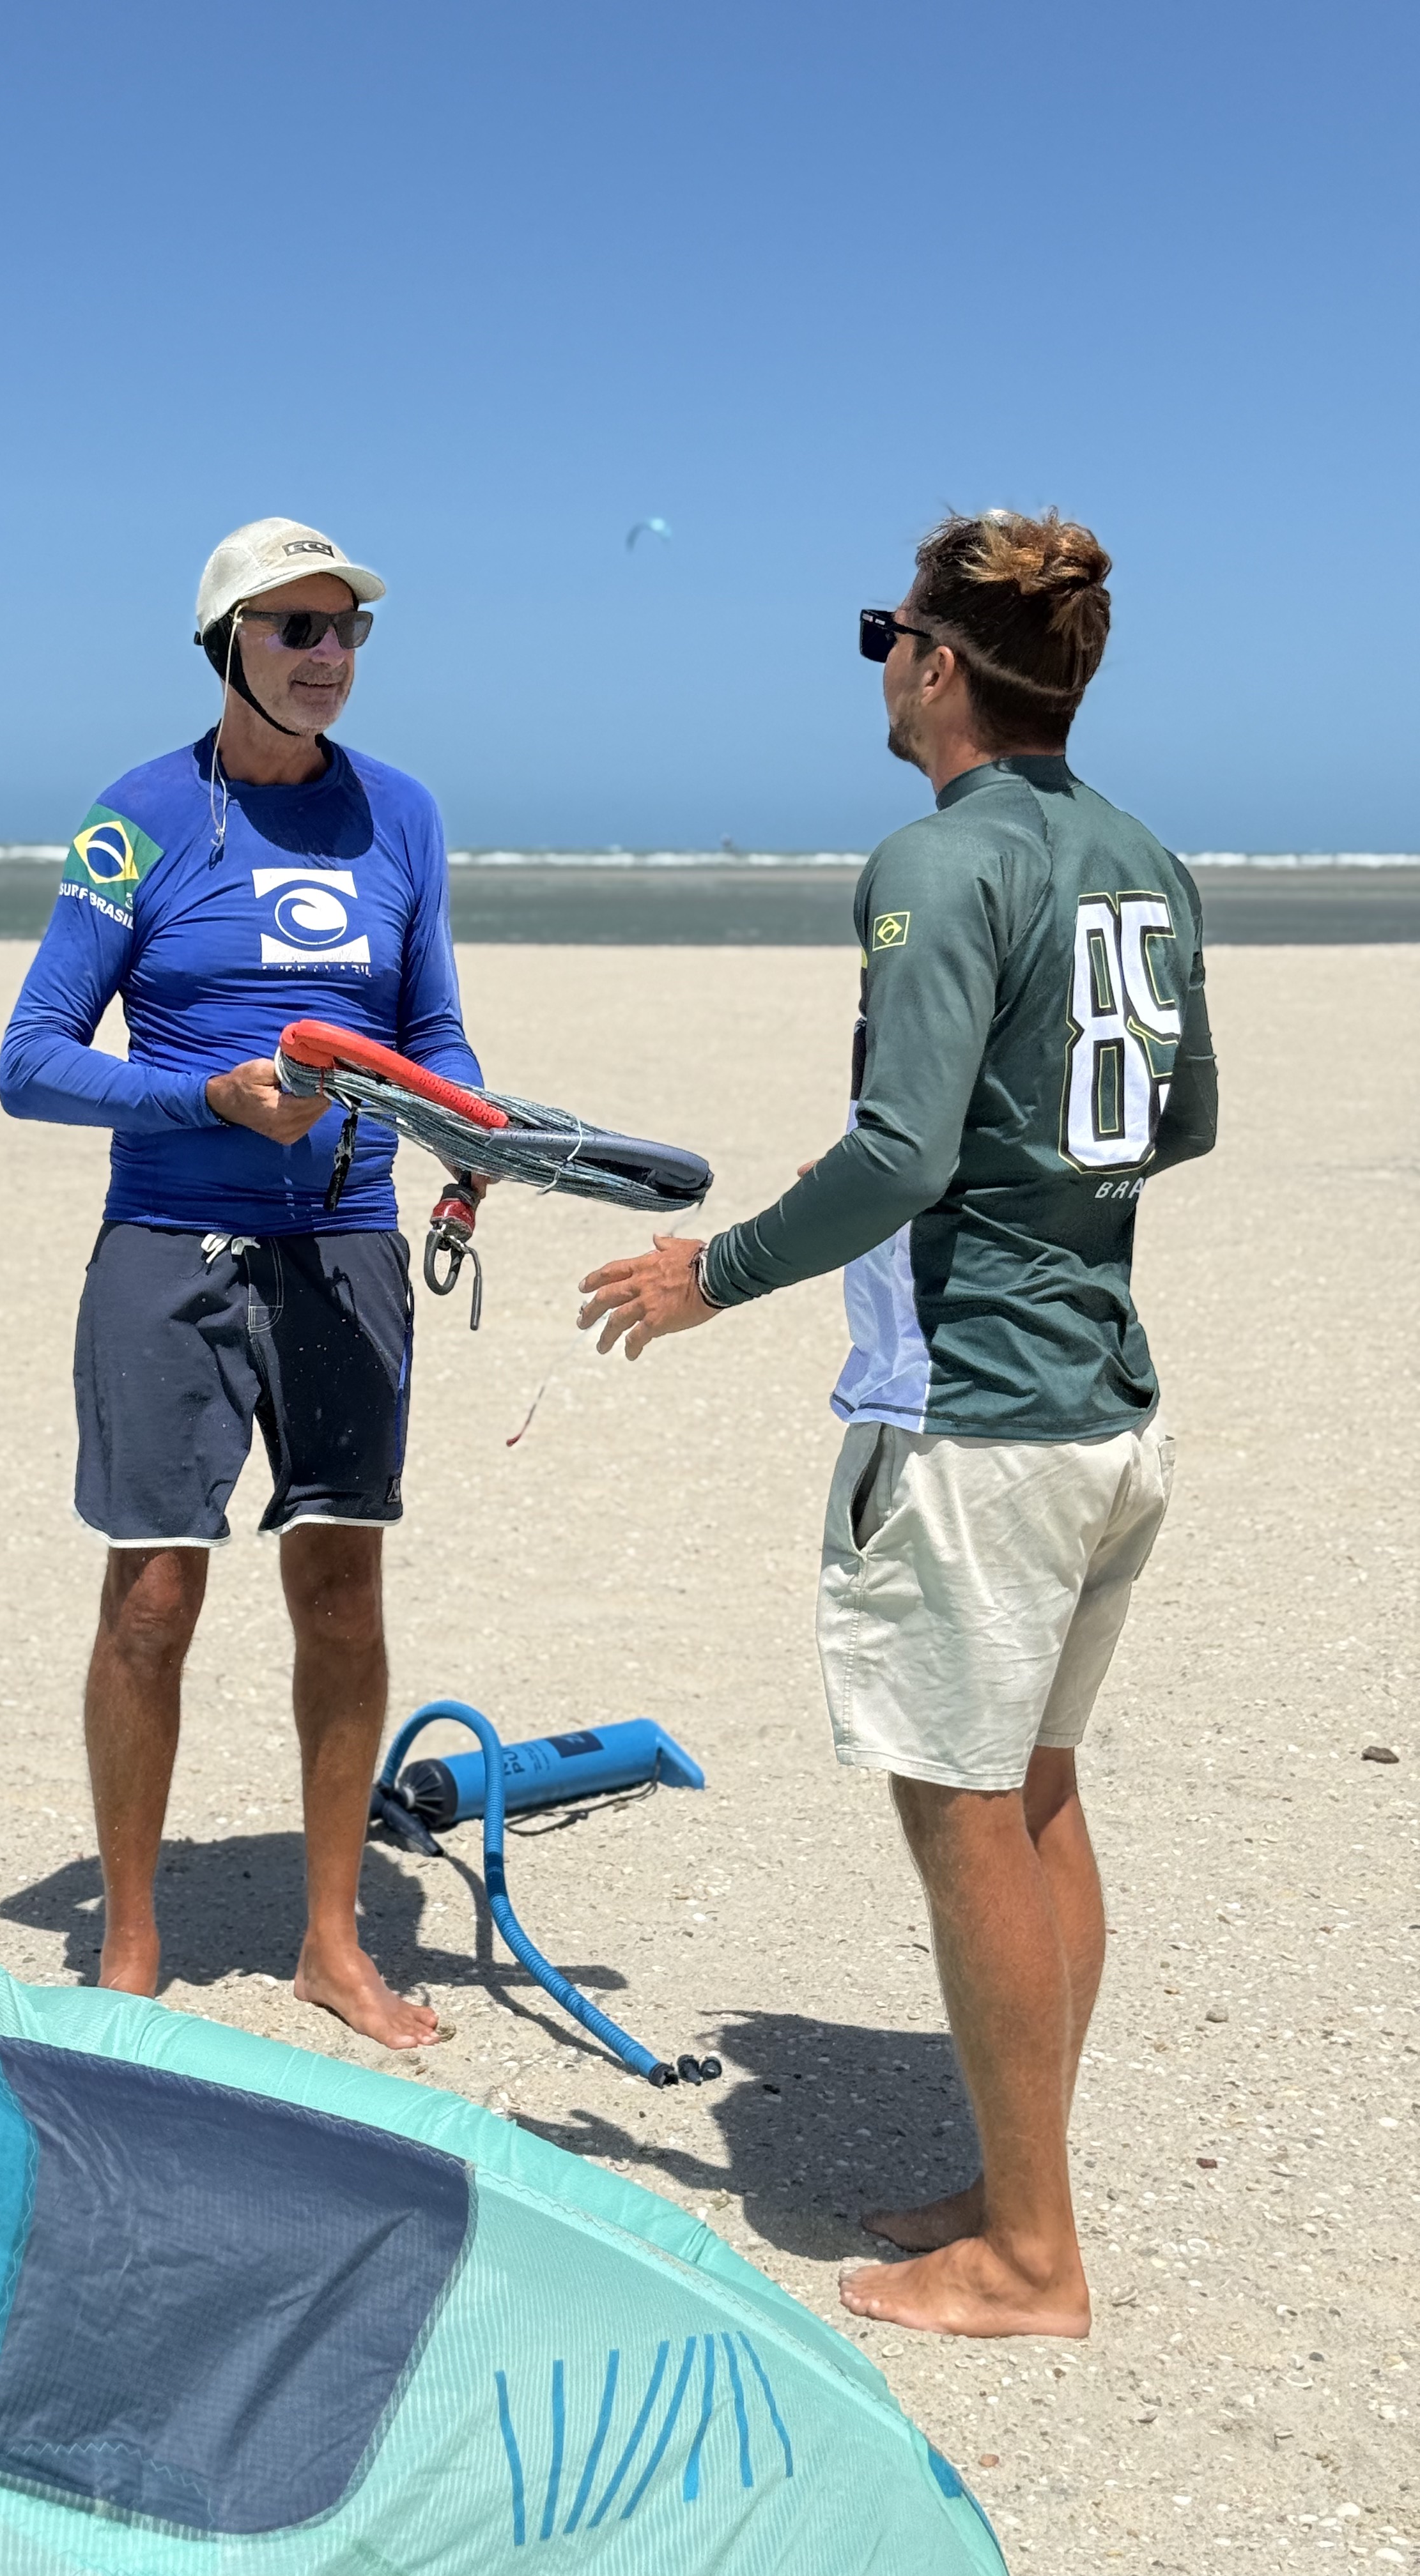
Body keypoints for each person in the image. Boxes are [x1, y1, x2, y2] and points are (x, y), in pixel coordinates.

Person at [576, 509, 1218, 2338]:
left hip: (981, 1420)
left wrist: (721, 1270)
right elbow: (1171, 1123)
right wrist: (1004, 1178)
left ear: (940, 662)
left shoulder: (936, 861)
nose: (883, 659)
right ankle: (1027, 2187)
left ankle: (1032, 2258)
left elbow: (902, 1153)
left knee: (963, 1812)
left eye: (890, 630)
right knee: (1041, 1789)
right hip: (1104, 1398)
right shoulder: (1145, 860)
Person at [0, 516, 484, 2050]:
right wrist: (200, 1101)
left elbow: (436, 1032)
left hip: (346, 1246)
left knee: (341, 1596)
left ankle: (333, 1943)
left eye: (345, 632)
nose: (328, 656)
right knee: (153, 1597)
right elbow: (29, 1063)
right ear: (228, 649)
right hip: (168, 1252)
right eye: (295, 631)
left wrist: (469, 1136)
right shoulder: (135, 819)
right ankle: (130, 1947)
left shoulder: (401, 815)